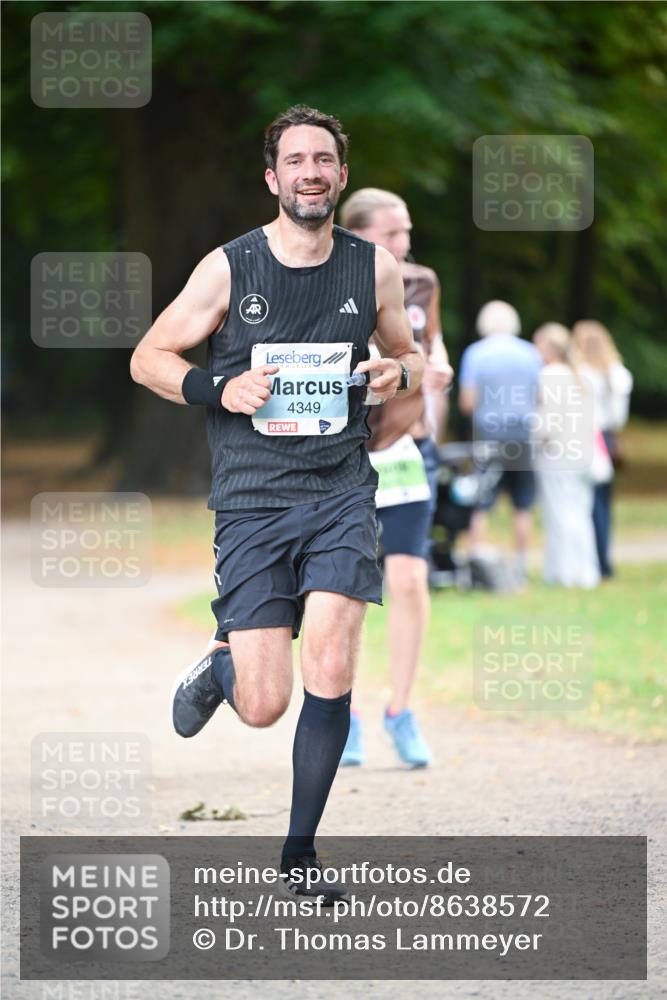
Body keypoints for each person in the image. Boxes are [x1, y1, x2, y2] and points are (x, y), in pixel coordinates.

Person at [129, 106, 423, 903]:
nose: (310, 172)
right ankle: (226, 664)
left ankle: (299, 854)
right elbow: (148, 356)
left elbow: (409, 353)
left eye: (323, 159)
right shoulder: (229, 268)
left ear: (340, 174)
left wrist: (405, 371)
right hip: (254, 498)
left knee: (330, 658)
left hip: (338, 489)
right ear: (273, 178)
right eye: (295, 160)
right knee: (265, 705)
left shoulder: (372, 269)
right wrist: (219, 386)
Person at [337, 188, 452, 768]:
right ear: (357, 235)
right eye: (390, 235)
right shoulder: (327, 276)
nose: (403, 245)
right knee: (346, 591)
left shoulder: (422, 283)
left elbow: (432, 344)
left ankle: (400, 711)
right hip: (344, 454)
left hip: (408, 450)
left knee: (407, 580)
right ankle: (344, 715)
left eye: (406, 232)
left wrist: (441, 366)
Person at [458, 300, 542, 587]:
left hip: (489, 436)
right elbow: (540, 397)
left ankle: (477, 567)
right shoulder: (531, 353)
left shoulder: (476, 354)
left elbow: (468, 402)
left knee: (481, 502)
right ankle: (520, 569)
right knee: (523, 504)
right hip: (522, 435)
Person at [532, 323, 600, 589]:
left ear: (549, 347)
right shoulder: (581, 376)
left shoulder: (550, 376)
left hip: (557, 455)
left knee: (560, 514)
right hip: (582, 453)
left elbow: (547, 421)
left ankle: (566, 572)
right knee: (580, 512)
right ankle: (584, 571)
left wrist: (534, 441)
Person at [572, 320, 633, 578]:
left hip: (585, 437)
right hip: (607, 438)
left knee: (585, 503)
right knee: (603, 503)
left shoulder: (579, 373)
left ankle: (591, 560)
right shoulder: (618, 373)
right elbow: (619, 418)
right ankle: (603, 559)